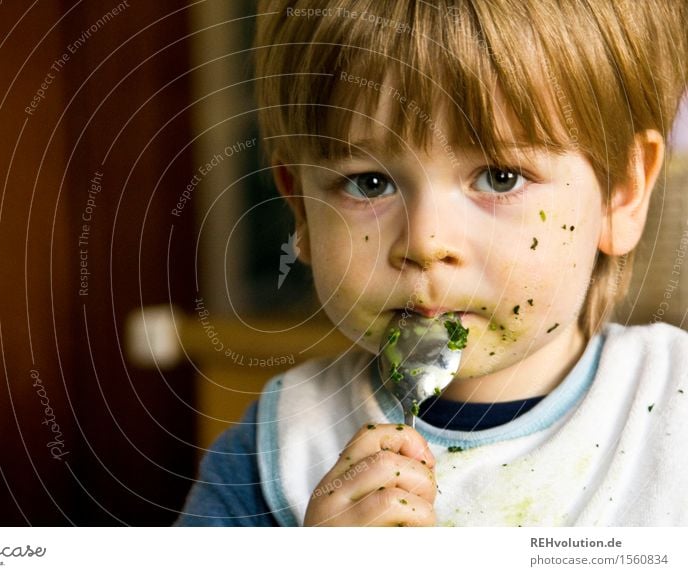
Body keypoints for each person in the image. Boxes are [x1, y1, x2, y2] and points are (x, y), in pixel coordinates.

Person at [175, 0, 688, 526]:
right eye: (369, 183)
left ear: (621, 192)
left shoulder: (672, 413)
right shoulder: (272, 456)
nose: (426, 241)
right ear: (301, 206)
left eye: (499, 177)